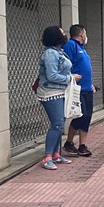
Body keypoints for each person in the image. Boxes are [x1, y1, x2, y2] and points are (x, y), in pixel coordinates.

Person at [36, 26, 81, 170]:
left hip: (59, 92)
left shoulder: (58, 52)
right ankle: (48, 156)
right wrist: (70, 78)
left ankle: (56, 154)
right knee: (57, 124)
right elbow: (52, 75)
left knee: (59, 124)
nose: (64, 35)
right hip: (50, 93)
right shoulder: (50, 53)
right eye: (62, 33)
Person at [62, 24, 95, 157]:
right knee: (81, 115)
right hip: (78, 89)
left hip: (87, 88)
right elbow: (65, 65)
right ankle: (69, 142)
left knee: (87, 117)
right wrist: (72, 77)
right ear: (81, 34)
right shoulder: (71, 46)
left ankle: (82, 145)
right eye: (85, 33)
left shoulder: (82, 49)